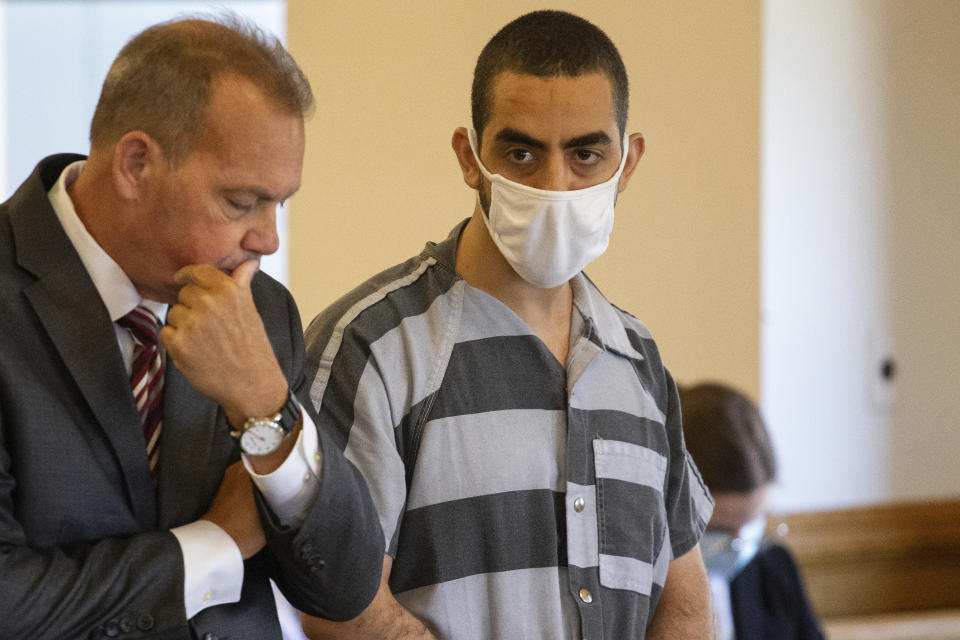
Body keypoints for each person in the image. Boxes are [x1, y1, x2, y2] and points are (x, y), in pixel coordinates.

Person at [300, 10, 715, 639]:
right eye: (521, 153)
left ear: (626, 164)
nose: (554, 184)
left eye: (585, 154)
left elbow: (684, 599)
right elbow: (338, 607)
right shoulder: (376, 348)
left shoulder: (637, 360)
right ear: (470, 158)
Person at [0, 15, 383, 640]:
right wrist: (216, 544)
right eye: (241, 202)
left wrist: (266, 406)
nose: (268, 238)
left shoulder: (261, 312)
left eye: (279, 203)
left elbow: (344, 588)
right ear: (135, 164)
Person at [679, 382, 825, 640]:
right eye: (718, 529)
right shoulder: (634, 588)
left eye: (752, 522)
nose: (738, 541)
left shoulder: (774, 568)